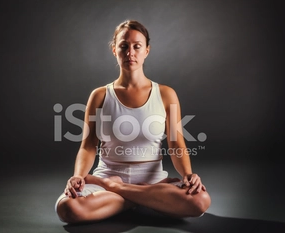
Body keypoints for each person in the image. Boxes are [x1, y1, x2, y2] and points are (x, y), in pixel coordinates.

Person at [55, 19, 211, 224]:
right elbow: (88, 145)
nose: (130, 52)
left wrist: (189, 175)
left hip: (151, 182)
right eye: (123, 46)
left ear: (147, 50)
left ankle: (121, 193)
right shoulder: (100, 95)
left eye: (137, 46)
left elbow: (176, 144)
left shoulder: (165, 94)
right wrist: (78, 176)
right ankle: (144, 199)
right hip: (108, 178)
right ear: (114, 50)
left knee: (200, 201)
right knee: (68, 208)